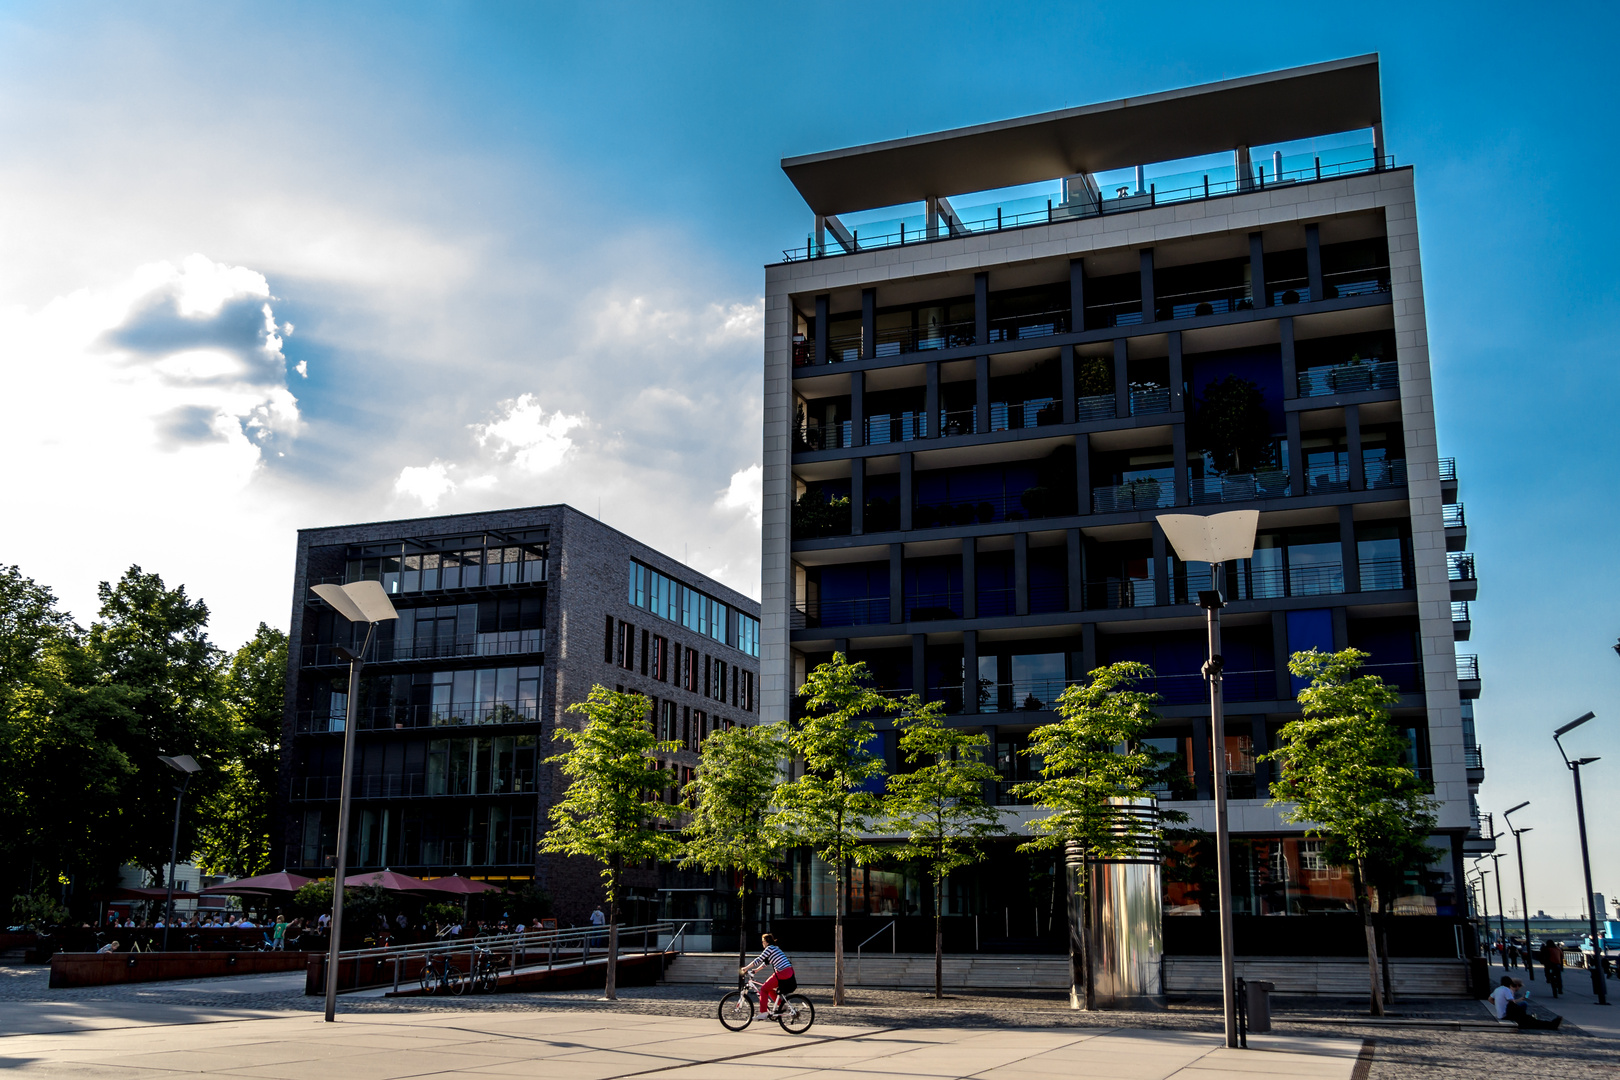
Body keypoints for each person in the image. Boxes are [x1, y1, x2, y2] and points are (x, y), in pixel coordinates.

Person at [741, 933, 797, 1019]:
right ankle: (781, 1006)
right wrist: (756, 970)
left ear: (767, 942)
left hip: (782, 972)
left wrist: (746, 968)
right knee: (769, 989)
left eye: (763, 941)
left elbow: (759, 959)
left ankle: (763, 1013)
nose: (762, 943)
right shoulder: (775, 948)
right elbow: (765, 963)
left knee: (763, 989)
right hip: (787, 971)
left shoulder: (769, 948)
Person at [1490, 976, 1561, 1030]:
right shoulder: (1507, 990)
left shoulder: (1497, 989)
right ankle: (1551, 1025)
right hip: (1507, 1015)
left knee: (1530, 1020)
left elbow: (1490, 999)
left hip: (1502, 1014)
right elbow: (1512, 1002)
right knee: (1530, 1021)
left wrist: (1498, 1005)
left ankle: (1551, 1024)